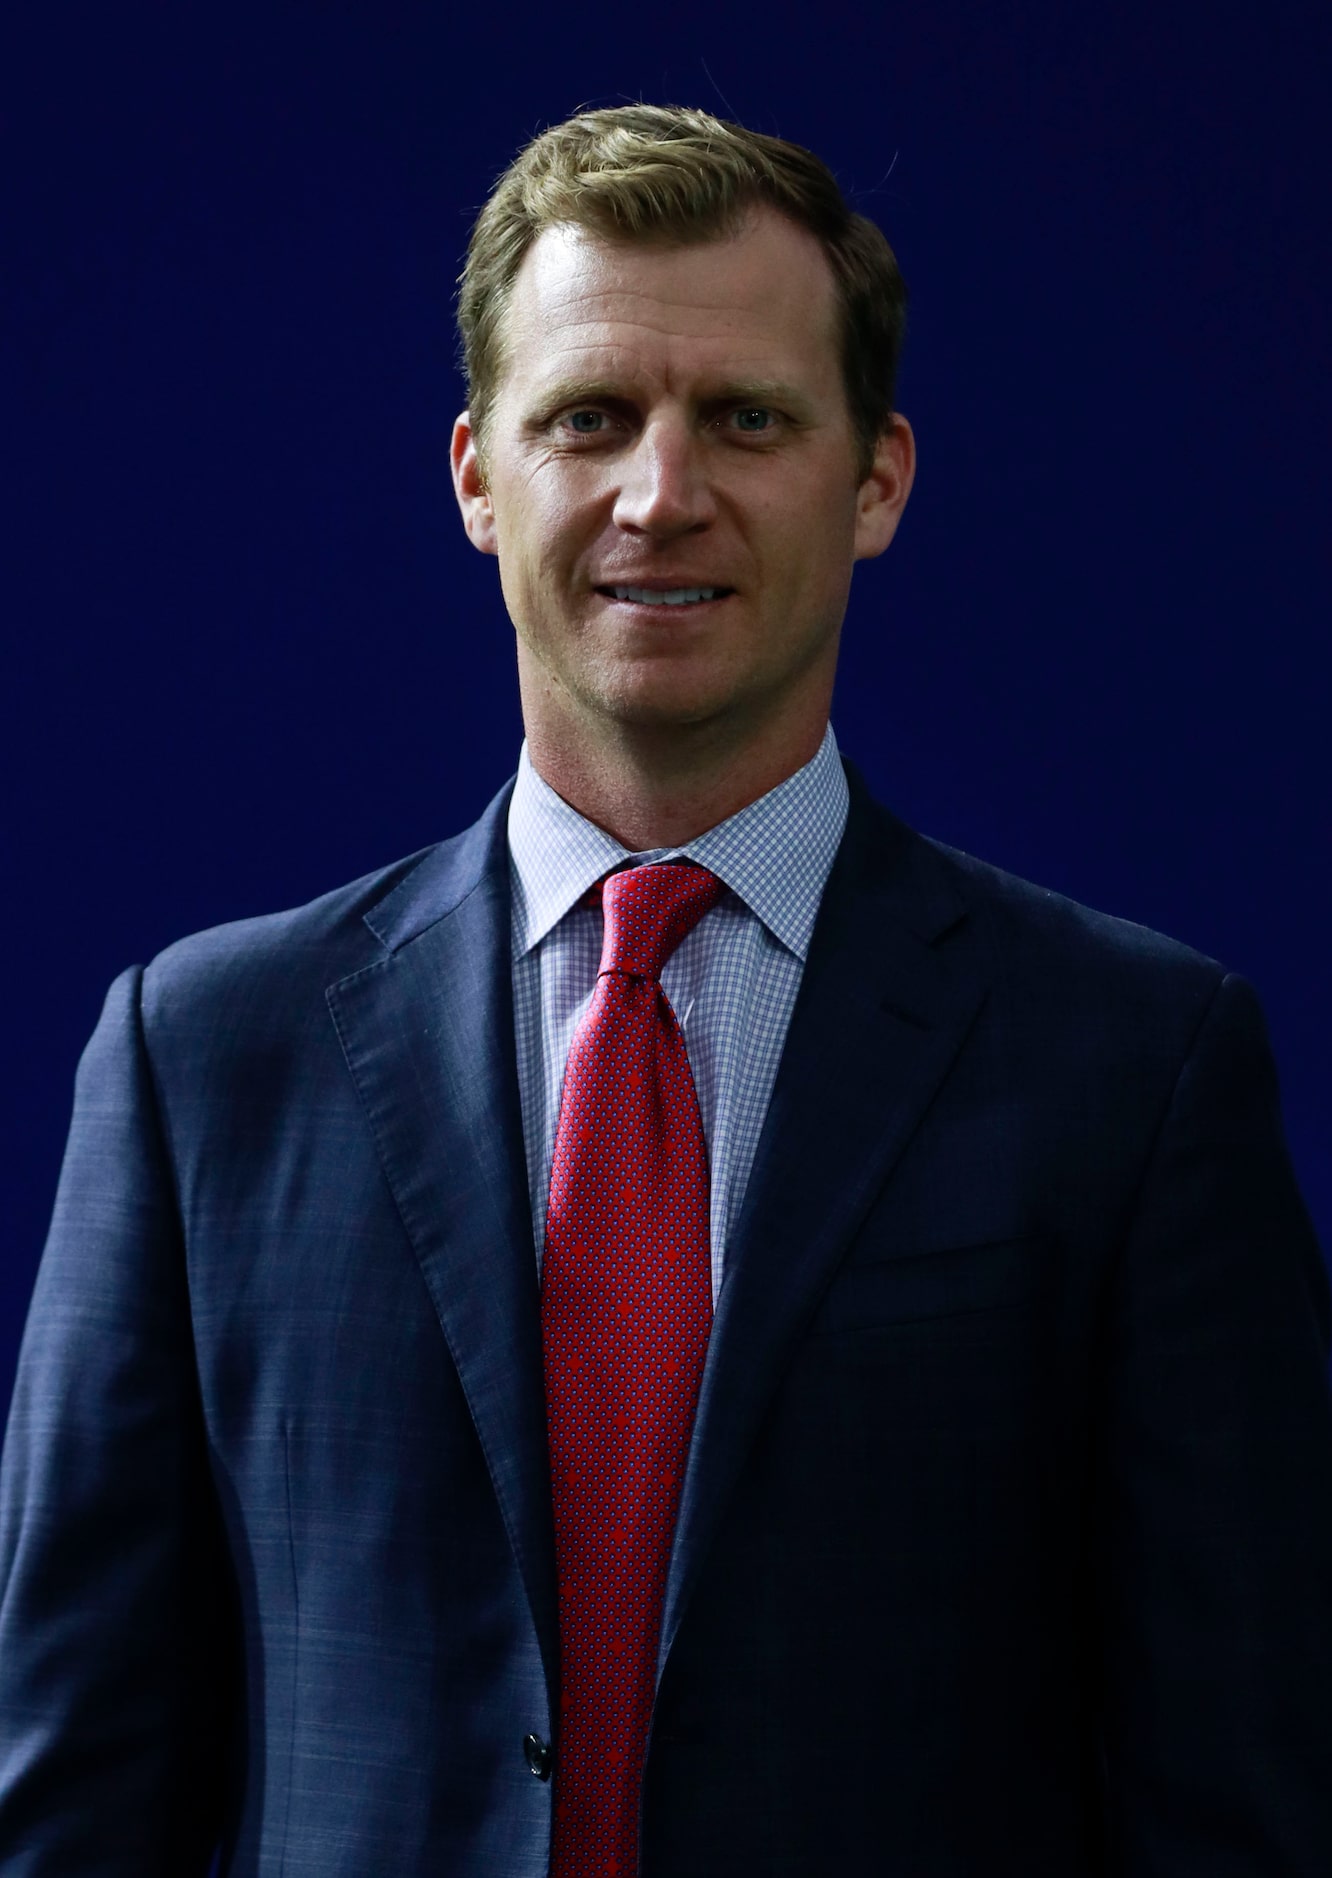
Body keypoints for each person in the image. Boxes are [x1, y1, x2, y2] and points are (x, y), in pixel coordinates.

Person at [1, 101, 1330, 1878]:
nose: (661, 491)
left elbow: (1241, 1799)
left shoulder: (1140, 1068)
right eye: (590, 419)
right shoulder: (198, 1062)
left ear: (879, 479)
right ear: (480, 476)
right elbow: (73, 1800)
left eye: (750, 418)